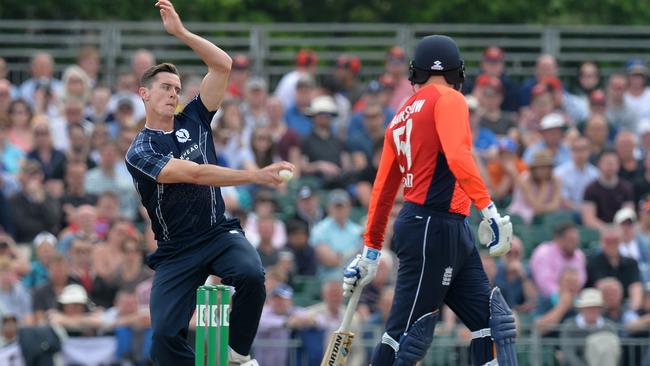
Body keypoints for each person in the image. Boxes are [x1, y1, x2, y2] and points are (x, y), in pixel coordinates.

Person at [124, 2, 294, 365]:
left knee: (250, 274)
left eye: (177, 87)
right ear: (144, 94)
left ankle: (237, 356)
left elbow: (223, 65)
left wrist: (181, 34)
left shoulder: (195, 118)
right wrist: (254, 175)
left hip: (218, 233)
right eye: (165, 87)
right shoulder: (140, 150)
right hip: (177, 250)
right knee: (164, 338)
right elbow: (196, 174)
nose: (173, 93)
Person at [343, 35, 515, 366]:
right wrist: (489, 209)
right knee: (406, 336)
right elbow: (458, 156)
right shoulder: (450, 99)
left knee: (493, 325)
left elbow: (382, 189)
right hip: (433, 226)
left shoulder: (399, 116)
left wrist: (370, 250)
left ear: (414, 74)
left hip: (442, 226)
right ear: (457, 71)